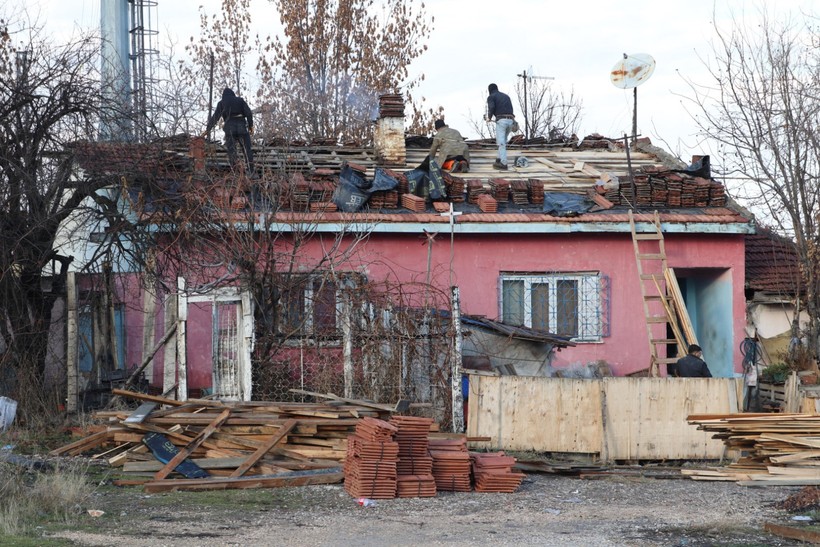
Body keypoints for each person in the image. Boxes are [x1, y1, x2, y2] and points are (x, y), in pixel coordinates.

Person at [204, 87, 255, 172]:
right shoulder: (240, 100)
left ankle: (235, 172)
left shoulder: (221, 103)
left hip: (229, 128)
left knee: (232, 151)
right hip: (241, 126)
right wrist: (251, 126)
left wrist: (208, 129)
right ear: (232, 94)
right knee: (247, 150)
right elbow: (249, 113)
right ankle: (251, 170)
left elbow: (215, 117)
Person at [485, 83, 515, 171]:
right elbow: (511, 109)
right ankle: (499, 158)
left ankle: (503, 163)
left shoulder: (491, 97)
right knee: (503, 140)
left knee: (501, 142)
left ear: (489, 90)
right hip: (511, 120)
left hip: (502, 121)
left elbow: (492, 107)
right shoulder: (506, 96)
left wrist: (489, 117)